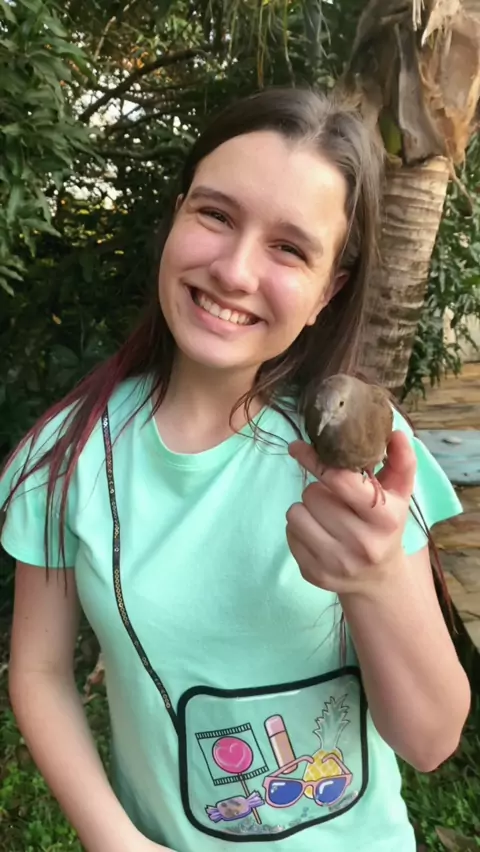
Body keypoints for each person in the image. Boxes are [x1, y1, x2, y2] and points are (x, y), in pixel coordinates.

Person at [0, 88, 470, 852]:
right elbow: (40, 672)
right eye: (216, 215)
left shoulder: (370, 464)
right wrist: (117, 841)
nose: (235, 270)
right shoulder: (65, 459)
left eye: (290, 248)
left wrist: (378, 579)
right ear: (175, 219)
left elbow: (430, 740)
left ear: (328, 291)